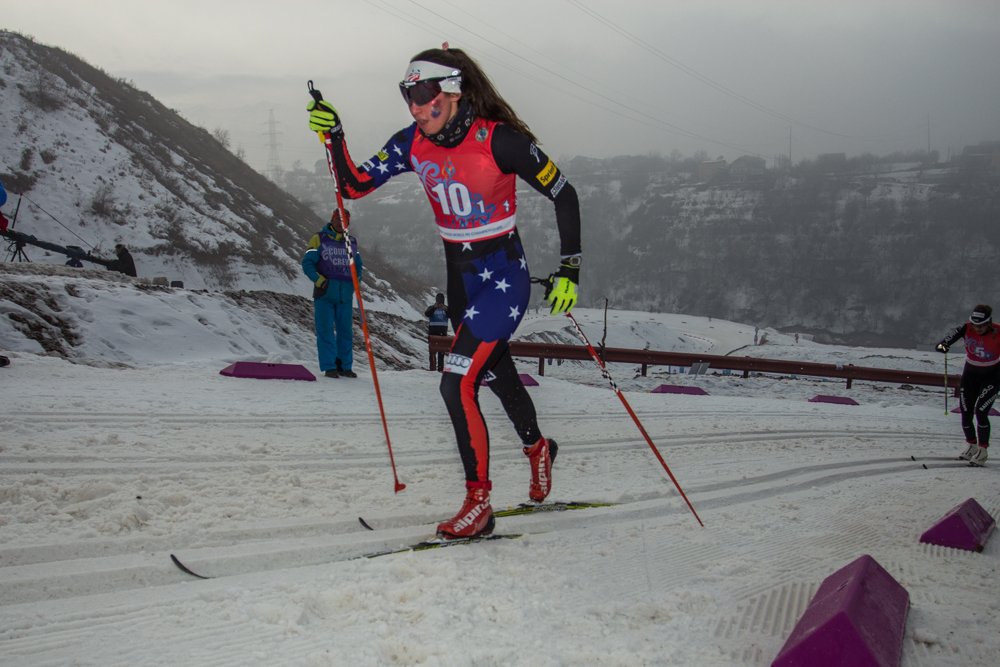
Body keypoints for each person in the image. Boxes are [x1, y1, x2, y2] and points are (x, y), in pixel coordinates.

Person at [307, 45, 581, 538]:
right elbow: (352, 184)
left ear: (452, 90)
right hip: (461, 286)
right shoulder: (413, 142)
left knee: (456, 383)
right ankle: (540, 449)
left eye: (423, 94)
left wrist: (570, 269)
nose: (414, 106)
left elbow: (564, 191)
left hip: (504, 281)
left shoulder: (500, 140)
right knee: (497, 376)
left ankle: (479, 504)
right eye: (407, 95)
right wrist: (334, 135)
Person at [302, 208, 363, 379]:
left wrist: (355, 282)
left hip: (345, 295)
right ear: (332, 220)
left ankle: (344, 366)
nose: (340, 222)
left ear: (348, 223)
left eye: (344, 219)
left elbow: (358, 266)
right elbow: (307, 263)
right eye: (337, 218)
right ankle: (329, 366)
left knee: (346, 331)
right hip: (325, 294)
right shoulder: (319, 238)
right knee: (326, 330)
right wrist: (320, 281)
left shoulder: (352, 243)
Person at [936, 305, 999, 466]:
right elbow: (945, 342)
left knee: (981, 412)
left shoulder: (998, 332)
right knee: (966, 412)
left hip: (992, 377)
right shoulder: (966, 328)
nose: (977, 328)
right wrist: (943, 347)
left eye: (982, 325)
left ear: (989, 323)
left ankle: (983, 451)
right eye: (975, 325)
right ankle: (972, 446)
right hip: (970, 375)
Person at [425, 293, 450, 370]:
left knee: (441, 352)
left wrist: (445, 309)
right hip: (433, 332)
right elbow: (427, 314)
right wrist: (434, 307)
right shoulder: (431, 307)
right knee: (432, 351)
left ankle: (440, 368)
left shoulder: (446, 308)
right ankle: (432, 368)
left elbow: (452, 315)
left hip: (443, 332)